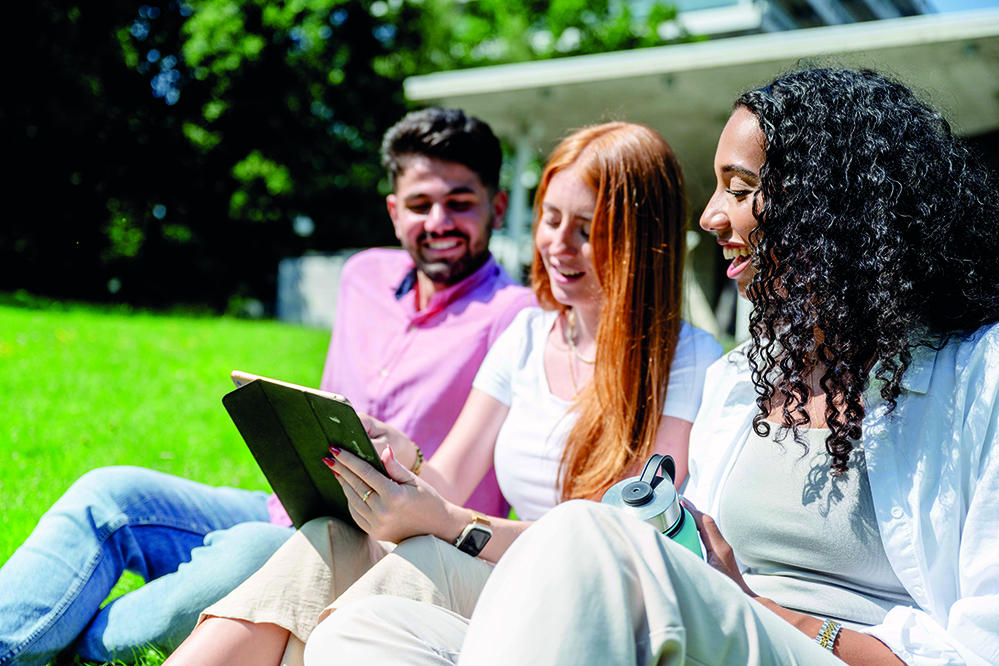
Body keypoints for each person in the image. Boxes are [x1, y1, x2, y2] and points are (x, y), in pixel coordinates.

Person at [304, 68, 999, 666]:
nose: (709, 215)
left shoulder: (977, 377)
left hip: (809, 644)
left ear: (832, 207)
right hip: (701, 625)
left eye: (738, 186)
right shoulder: (742, 382)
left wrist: (750, 603)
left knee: (588, 535)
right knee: (376, 622)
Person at [162, 121, 722, 666]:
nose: (556, 244)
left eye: (587, 229)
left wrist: (454, 523)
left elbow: (621, 544)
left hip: (597, 605)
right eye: (550, 218)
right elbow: (448, 477)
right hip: (508, 571)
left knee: (419, 561)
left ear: (641, 240)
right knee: (328, 536)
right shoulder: (528, 336)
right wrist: (398, 459)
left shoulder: (686, 359)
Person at [0, 107, 532, 666]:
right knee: (108, 493)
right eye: (421, 205)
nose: (440, 221)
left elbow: (461, 497)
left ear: (497, 208)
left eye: (461, 202)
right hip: (281, 509)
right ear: (395, 213)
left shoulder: (516, 318)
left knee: (248, 559)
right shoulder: (363, 277)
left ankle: (64, 638)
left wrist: (408, 455)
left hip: (374, 549)